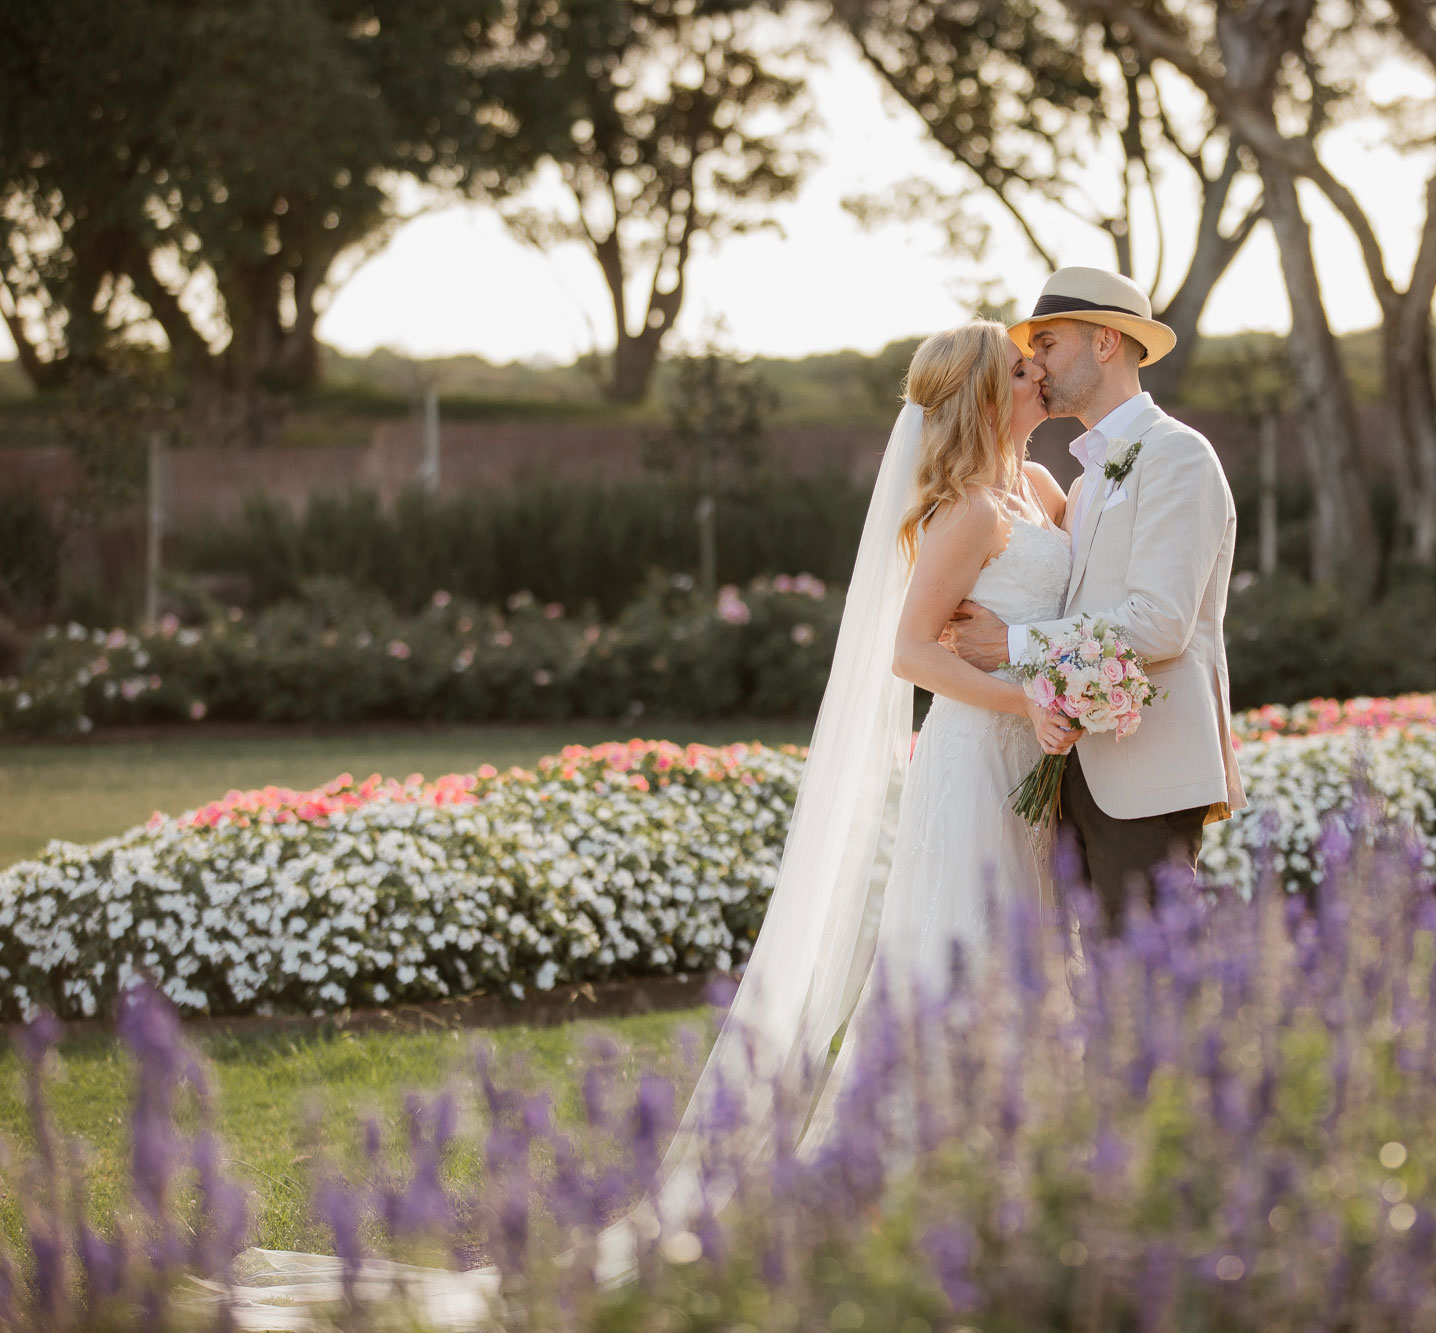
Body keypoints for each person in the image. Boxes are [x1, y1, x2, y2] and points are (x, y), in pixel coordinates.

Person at [215, 320, 1080, 1326]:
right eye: (1022, 372)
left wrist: (1056, 669)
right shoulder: (967, 514)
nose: (1039, 380)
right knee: (954, 968)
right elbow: (910, 655)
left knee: (1029, 968)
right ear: (981, 397)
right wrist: (1028, 700)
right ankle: (905, 1195)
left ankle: (1019, 1178)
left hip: (1037, 766)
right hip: (977, 766)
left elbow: (1062, 613)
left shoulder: (1045, 493)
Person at [946, 266, 1246, 931]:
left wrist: (1011, 644)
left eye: (1048, 344)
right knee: (1096, 997)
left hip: (1148, 776)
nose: (1037, 364)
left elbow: (1160, 623)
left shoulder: (1177, 457)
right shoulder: (1082, 481)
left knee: (1148, 993)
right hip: (1074, 772)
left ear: (1105, 343)